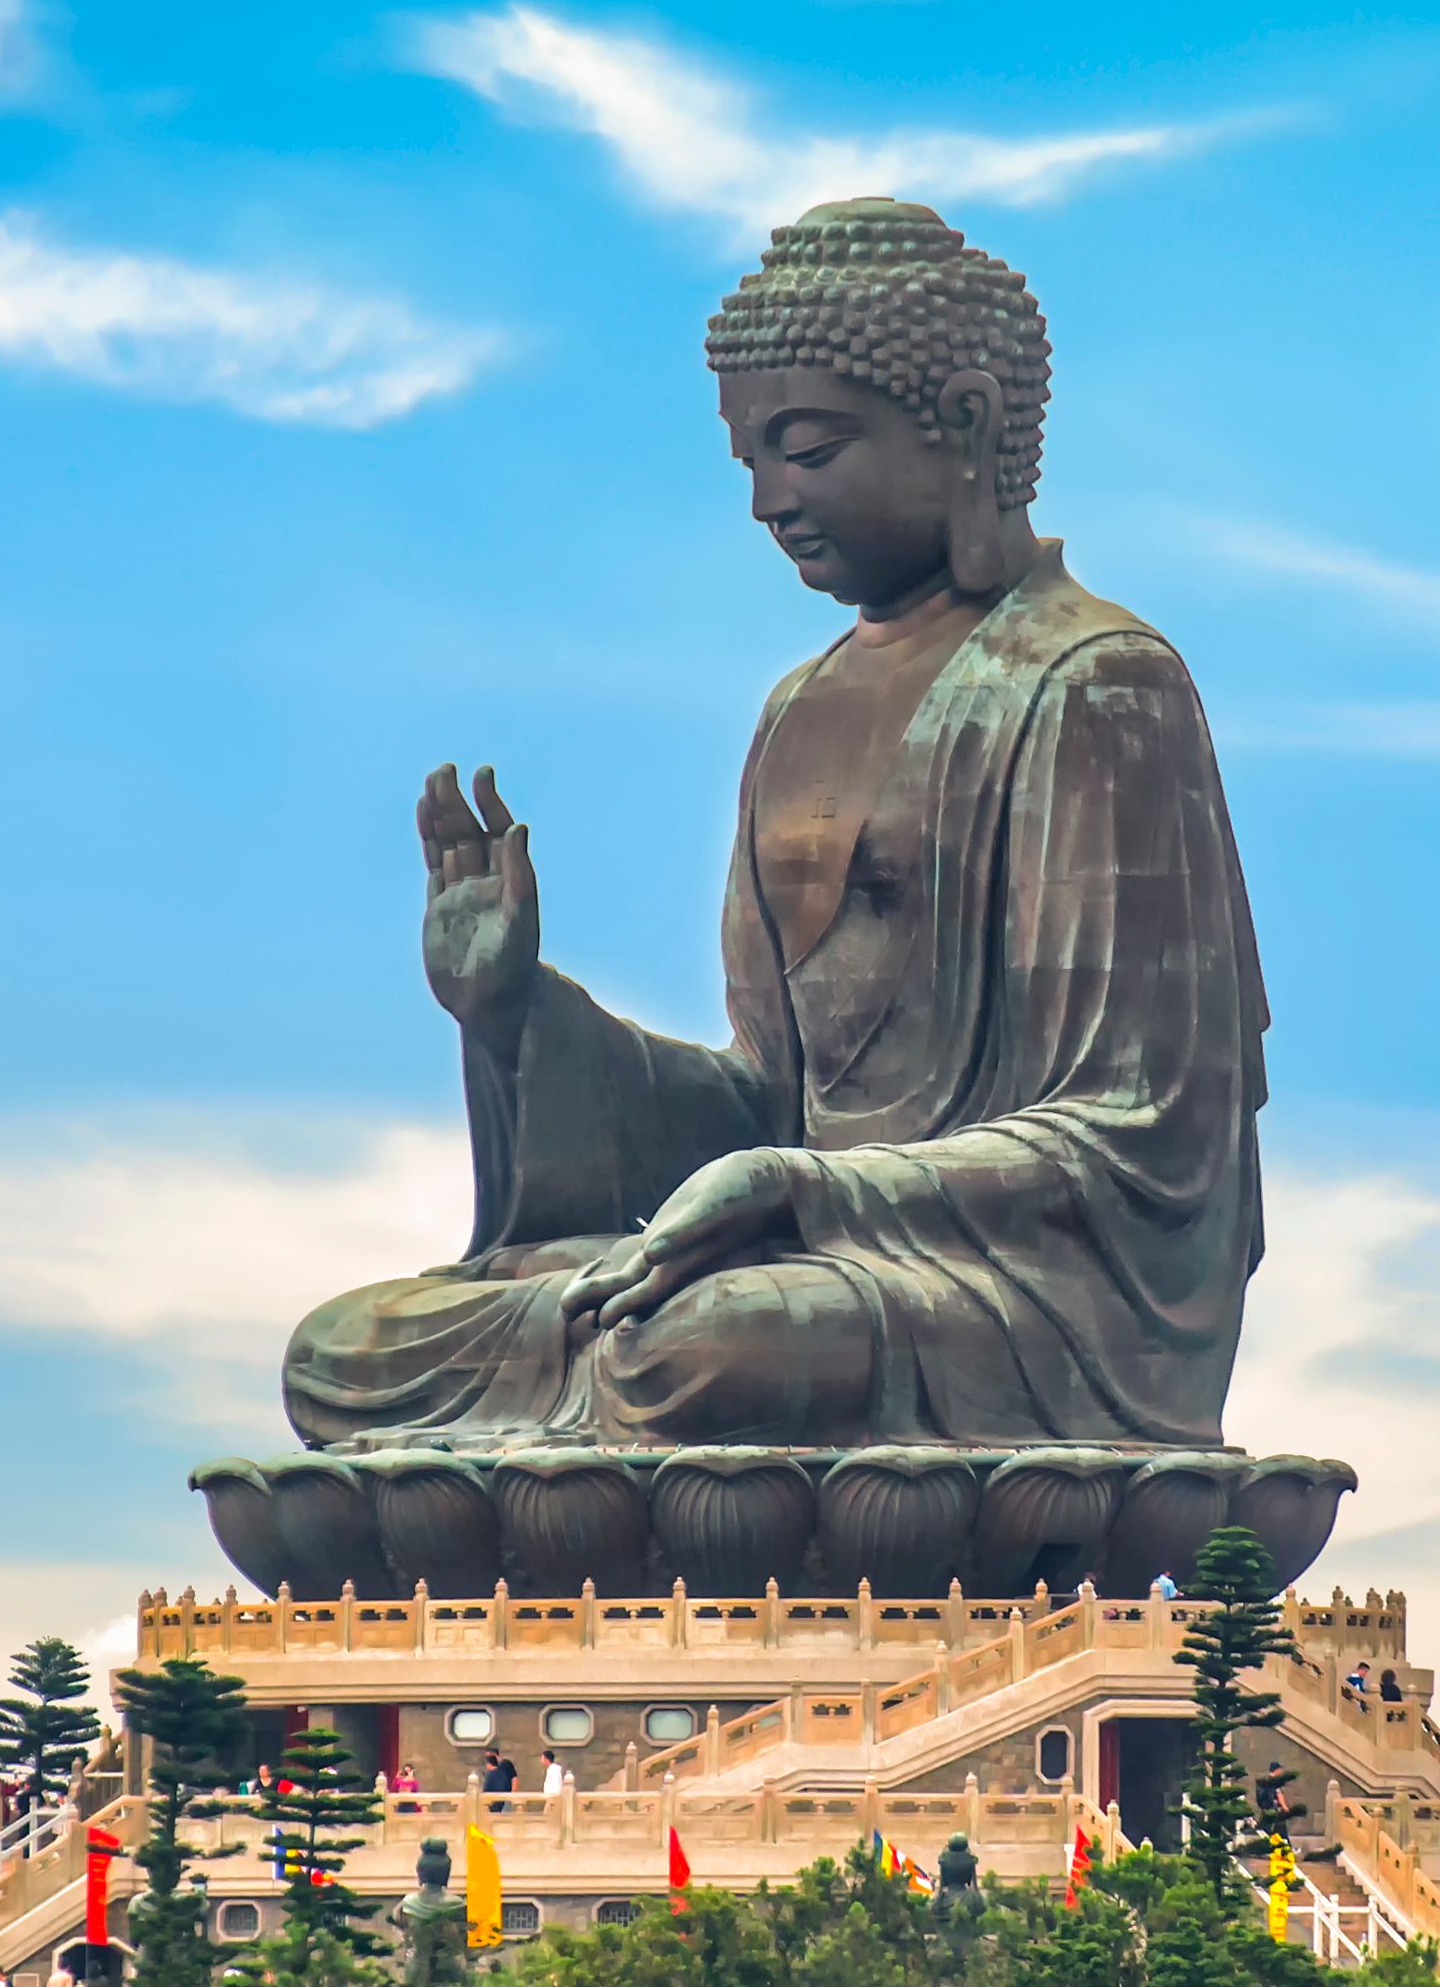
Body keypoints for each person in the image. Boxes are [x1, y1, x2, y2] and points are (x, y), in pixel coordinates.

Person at [281, 199, 1271, 1456]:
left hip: (1021, 1309)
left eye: (805, 450)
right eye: (747, 458)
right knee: (349, 1352)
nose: (765, 501)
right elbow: (768, 1107)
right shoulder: (794, 711)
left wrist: (805, 1190)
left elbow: (1138, 1141)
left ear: (963, 423)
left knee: (708, 1351)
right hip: (814, 1257)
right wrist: (522, 1017)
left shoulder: (1093, 683)